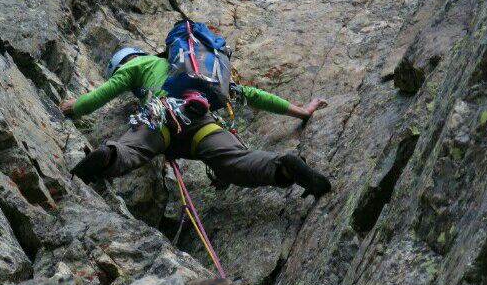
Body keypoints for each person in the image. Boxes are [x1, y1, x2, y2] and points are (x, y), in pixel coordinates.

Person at [60, 45, 332, 197]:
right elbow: (249, 94)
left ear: (122, 64)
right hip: (203, 122)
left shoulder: (136, 66)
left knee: (132, 149)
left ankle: (107, 156)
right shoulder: (198, 71)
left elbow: (98, 97)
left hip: (163, 117)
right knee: (235, 162)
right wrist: (302, 111)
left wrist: (73, 107)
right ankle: (283, 168)